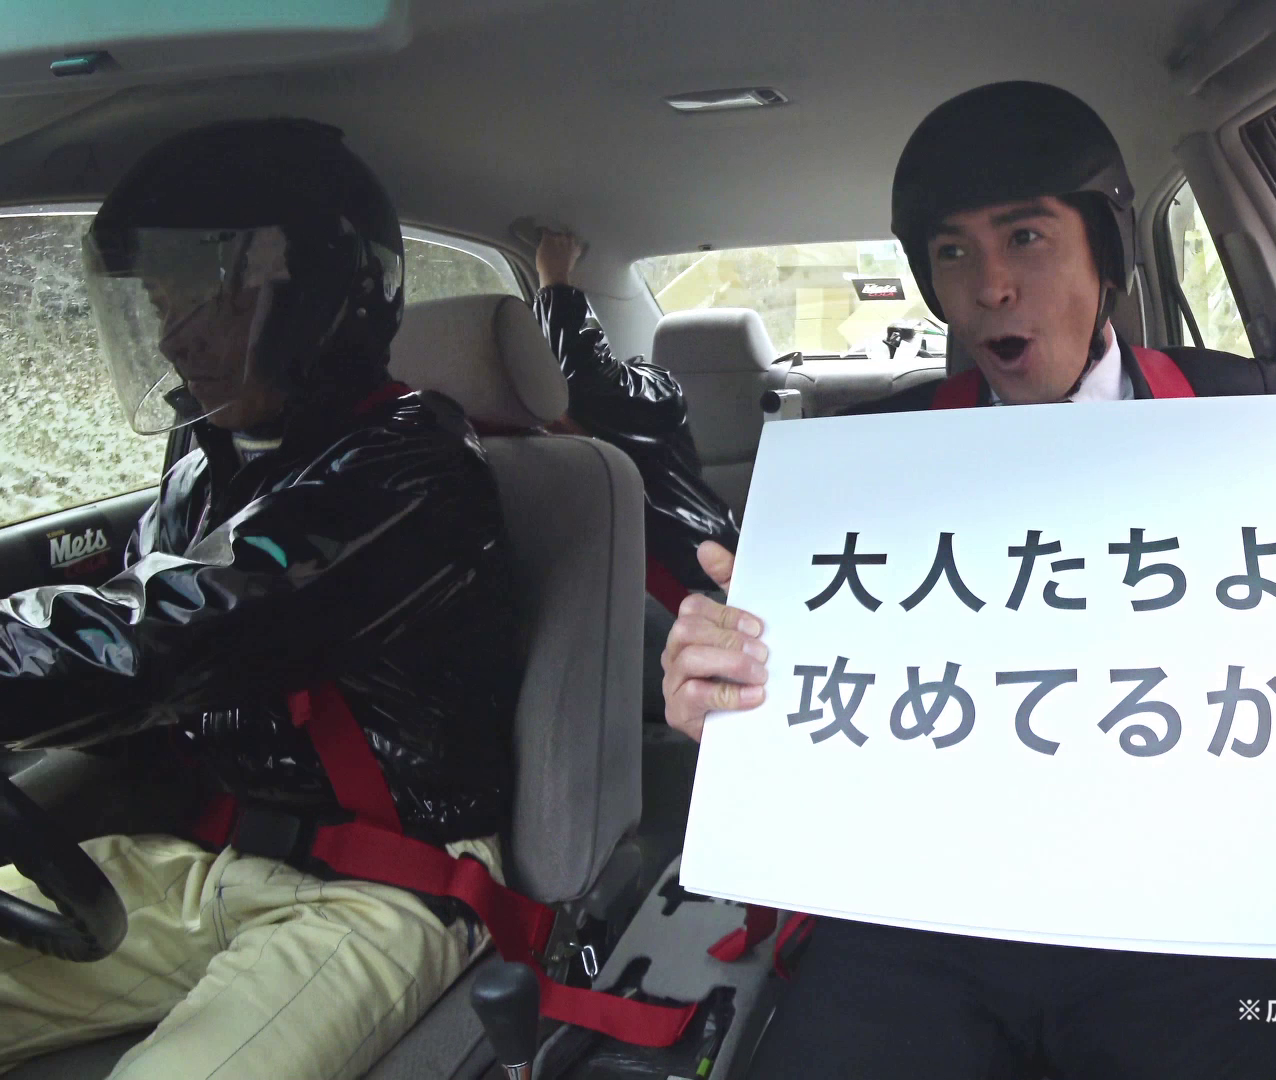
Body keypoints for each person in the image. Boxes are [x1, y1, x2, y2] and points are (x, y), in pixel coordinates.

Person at [662, 82, 1276, 1079]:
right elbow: (798, 710)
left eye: (1026, 237)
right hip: (923, 915)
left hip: (1202, 910)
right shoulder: (860, 462)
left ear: (1106, 252)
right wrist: (725, 693)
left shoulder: (1258, 423)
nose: (990, 287)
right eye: (953, 252)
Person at [0, 119, 521, 1079]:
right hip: (205, 858)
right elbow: (130, 671)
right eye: (158, 303)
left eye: (201, 298)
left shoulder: (414, 466)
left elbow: (179, 631)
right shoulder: (203, 467)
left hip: (380, 881)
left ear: (316, 296)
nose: (172, 336)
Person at [531, 230, 740, 604]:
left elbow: (584, 378)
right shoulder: (496, 441)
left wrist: (555, 282)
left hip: (697, 583)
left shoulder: (652, 393)